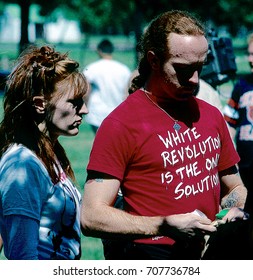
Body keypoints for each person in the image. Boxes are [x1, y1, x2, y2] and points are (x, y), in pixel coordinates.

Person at [81, 10, 248, 260]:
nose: (194, 80)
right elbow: (91, 216)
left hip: (212, 255)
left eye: (199, 68)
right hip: (151, 257)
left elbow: (235, 186)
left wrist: (234, 209)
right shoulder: (121, 124)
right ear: (154, 60)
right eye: (182, 69)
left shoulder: (211, 115)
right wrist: (163, 225)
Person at [0, 45, 89, 260]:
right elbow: (22, 257)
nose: (84, 110)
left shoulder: (49, 154)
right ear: (40, 104)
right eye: (75, 103)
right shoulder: (23, 165)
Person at [224, 33, 253, 215]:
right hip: (245, 168)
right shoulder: (242, 86)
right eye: (249, 54)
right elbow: (229, 123)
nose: (251, 59)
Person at [83, 39, 131, 133]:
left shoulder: (92, 68)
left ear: (99, 50)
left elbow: (86, 92)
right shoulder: (124, 69)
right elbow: (127, 93)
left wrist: (85, 107)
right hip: (117, 112)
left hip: (97, 113)